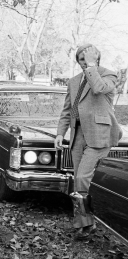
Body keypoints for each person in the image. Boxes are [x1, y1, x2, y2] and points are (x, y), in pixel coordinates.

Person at [54, 44, 122, 240]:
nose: (85, 63)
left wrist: (91, 66)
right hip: (77, 135)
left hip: (100, 134)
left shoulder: (108, 75)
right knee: (79, 180)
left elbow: (99, 88)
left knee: (83, 177)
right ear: (77, 61)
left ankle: (87, 224)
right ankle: (85, 225)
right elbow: (67, 110)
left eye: (89, 59)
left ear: (97, 58)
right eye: (82, 59)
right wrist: (61, 133)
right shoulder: (74, 81)